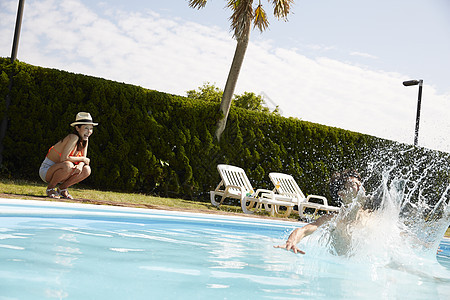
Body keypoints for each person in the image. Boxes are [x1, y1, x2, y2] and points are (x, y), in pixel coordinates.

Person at [275, 169, 380, 255]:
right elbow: (304, 230)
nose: (359, 187)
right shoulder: (333, 219)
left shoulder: (375, 219)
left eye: (360, 184)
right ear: (341, 193)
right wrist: (291, 241)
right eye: (353, 184)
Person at [39, 112, 98, 199]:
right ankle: (50, 188)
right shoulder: (73, 137)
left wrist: (81, 165)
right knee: (68, 165)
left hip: (65, 171)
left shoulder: (85, 140)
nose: (89, 131)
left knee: (87, 170)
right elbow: (64, 158)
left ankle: (62, 189)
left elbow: (83, 160)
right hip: (47, 170)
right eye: (86, 128)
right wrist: (83, 159)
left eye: (91, 129)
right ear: (77, 128)